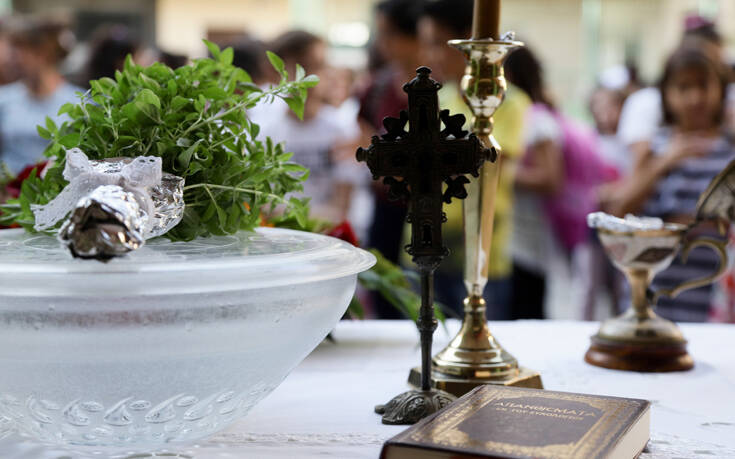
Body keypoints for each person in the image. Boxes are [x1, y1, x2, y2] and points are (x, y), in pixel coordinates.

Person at [417, 0, 530, 319]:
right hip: (427, 245)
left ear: (468, 39)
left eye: (436, 43)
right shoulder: (434, 99)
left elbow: (491, 159)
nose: (428, 55)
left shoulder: (509, 101)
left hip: (482, 251)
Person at [607, 45, 734, 322]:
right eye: (683, 87)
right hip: (656, 293)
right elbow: (620, 209)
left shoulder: (730, 152)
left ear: (720, 89)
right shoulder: (656, 148)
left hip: (712, 297)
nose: (694, 98)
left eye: (703, 86)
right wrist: (665, 162)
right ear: (666, 94)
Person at [505, 47, 612, 320]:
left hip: (529, 242)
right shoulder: (529, 114)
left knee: (526, 314)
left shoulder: (536, 119)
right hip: (518, 240)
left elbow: (551, 179)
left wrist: (498, 171)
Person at [250, 30, 360, 223]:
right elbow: (260, 201)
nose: (311, 76)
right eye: (303, 67)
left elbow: (342, 205)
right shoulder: (262, 130)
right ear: (277, 72)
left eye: (319, 66)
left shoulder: (342, 130)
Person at [359, 0, 424, 318]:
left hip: (430, 208)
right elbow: (363, 129)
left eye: (389, 35)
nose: (382, 44)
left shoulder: (441, 85)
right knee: (386, 289)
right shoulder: (379, 85)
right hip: (386, 204)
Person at [0, 17, 80, 176]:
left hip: (55, 193)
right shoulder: (4, 99)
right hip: (8, 194)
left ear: (43, 53)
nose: (13, 59)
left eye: (20, 51)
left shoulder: (77, 102)